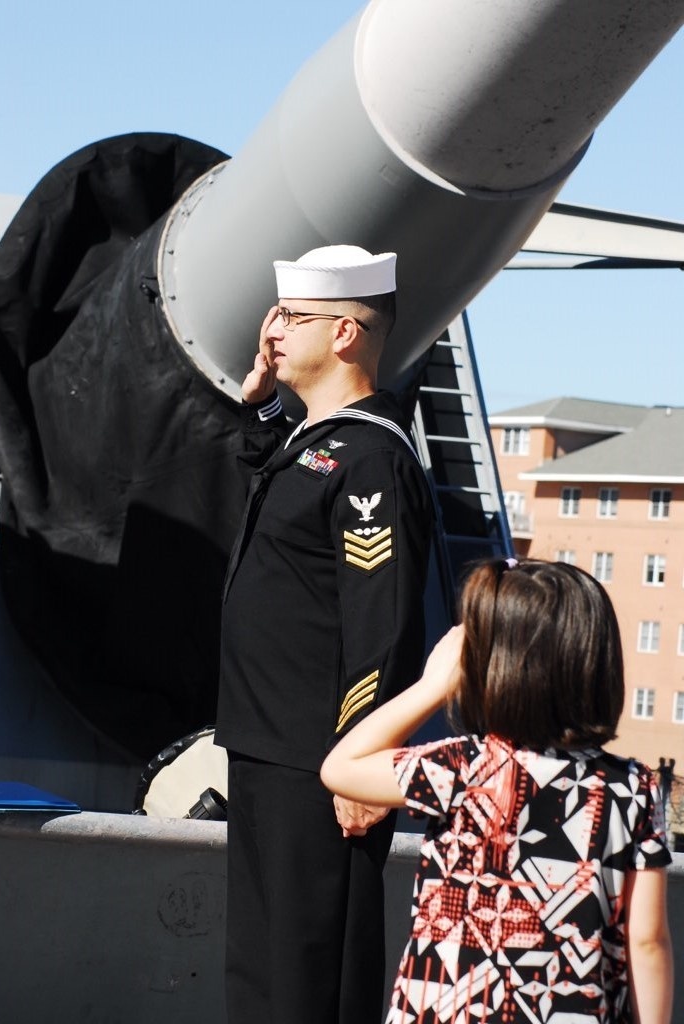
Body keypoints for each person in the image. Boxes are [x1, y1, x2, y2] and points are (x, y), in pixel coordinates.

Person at [215, 245, 434, 1024]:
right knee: (264, 964)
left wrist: (358, 760)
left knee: (310, 967)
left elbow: (382, 621)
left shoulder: (371, 456)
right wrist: (265, 407)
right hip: (268, 744)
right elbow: (279, 483)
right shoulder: (319, 444)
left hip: (320, 759)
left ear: (344, 333)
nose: (271, 332)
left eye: (292, 318)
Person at [321, 557, 674, 1024]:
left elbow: (341, 767)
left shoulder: (462, 767)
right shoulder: (633, 789)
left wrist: (431, 687)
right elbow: (646, 941)